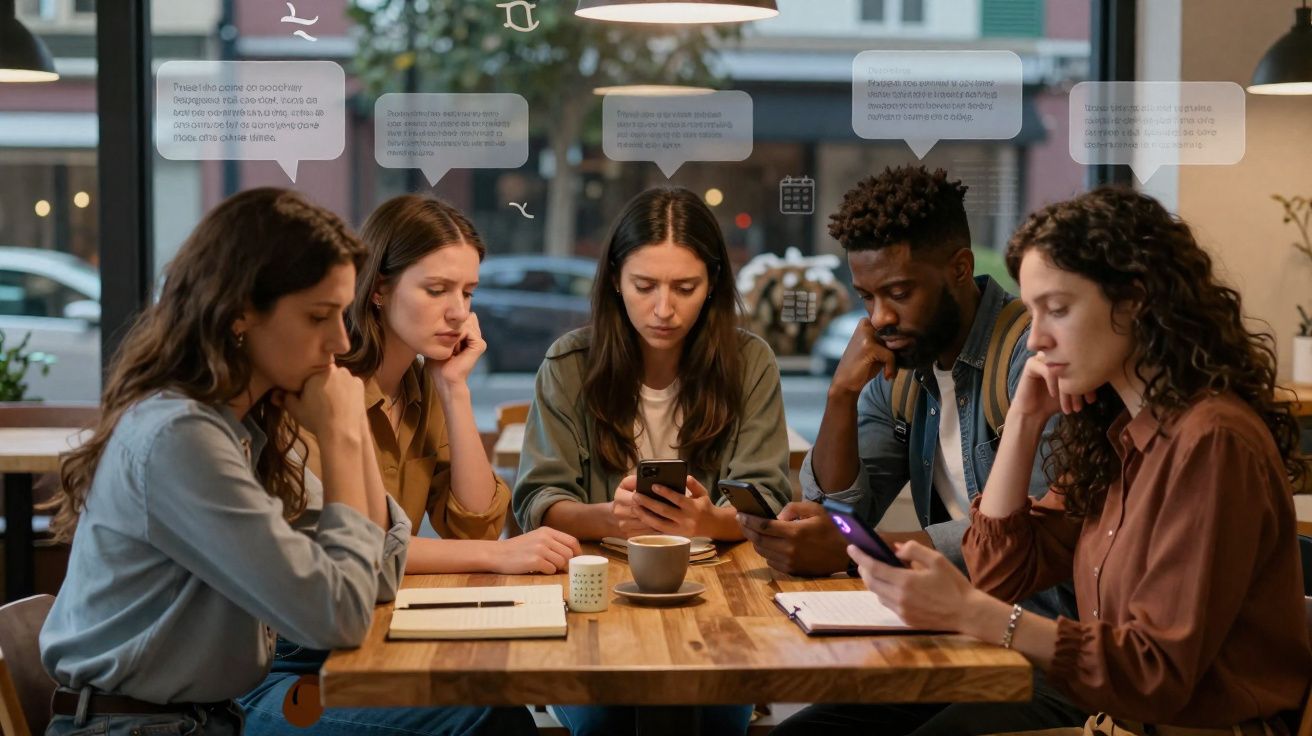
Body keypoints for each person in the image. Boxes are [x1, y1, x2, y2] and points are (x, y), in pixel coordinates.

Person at [846, 187, 1311, 735]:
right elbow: (1001, 574)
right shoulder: (1116, 437)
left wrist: (972, 614)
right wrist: (1023, 418)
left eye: (1057, 310)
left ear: (1135, 300)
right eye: (1033, 309)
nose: (1037, 338)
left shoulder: (1210, 441)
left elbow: (1153, 672)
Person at [40, 188, 393, 735]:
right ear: (240, 315)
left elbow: (376, 580)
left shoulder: (241, 428)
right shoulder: (181, 438)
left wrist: (353, 431)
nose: (342, 342)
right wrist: (342, 432)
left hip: (197, 721)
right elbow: (338, 618)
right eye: (320, 316)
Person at [763, 165, 1084, 735]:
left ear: (960, 269)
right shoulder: (901, 368)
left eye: (899, 293)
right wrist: (841, 394)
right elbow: (840, 513)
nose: (880, 318)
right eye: (867, 296)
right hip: (958, 633)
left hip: (1048, 645)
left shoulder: (1030, 364)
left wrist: (851, 550)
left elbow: (1035, 536)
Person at [236, 194, 553, 735]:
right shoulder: (316, 387)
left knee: (500, 708)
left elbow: (473, 519)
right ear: (378, 289)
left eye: (468, 292)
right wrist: (499, 557)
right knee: (484, 717)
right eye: (436, 290)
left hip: (362, 641)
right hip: (286, 668)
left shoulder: (419, 384)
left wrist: (454, 390)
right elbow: (340, 550)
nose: (459, 312)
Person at [511, 186, 790, 736]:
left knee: (708, 713)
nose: (664, 309)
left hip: (715, 606)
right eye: (645, 286)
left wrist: (707, 521)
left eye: (685, 288)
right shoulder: (570, 364)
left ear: (712, 285)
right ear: (616, 280)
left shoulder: (749, 363)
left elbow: (769, 501)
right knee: (605, 718)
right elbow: (537, 501)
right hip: (595, 607)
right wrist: (610, 519)